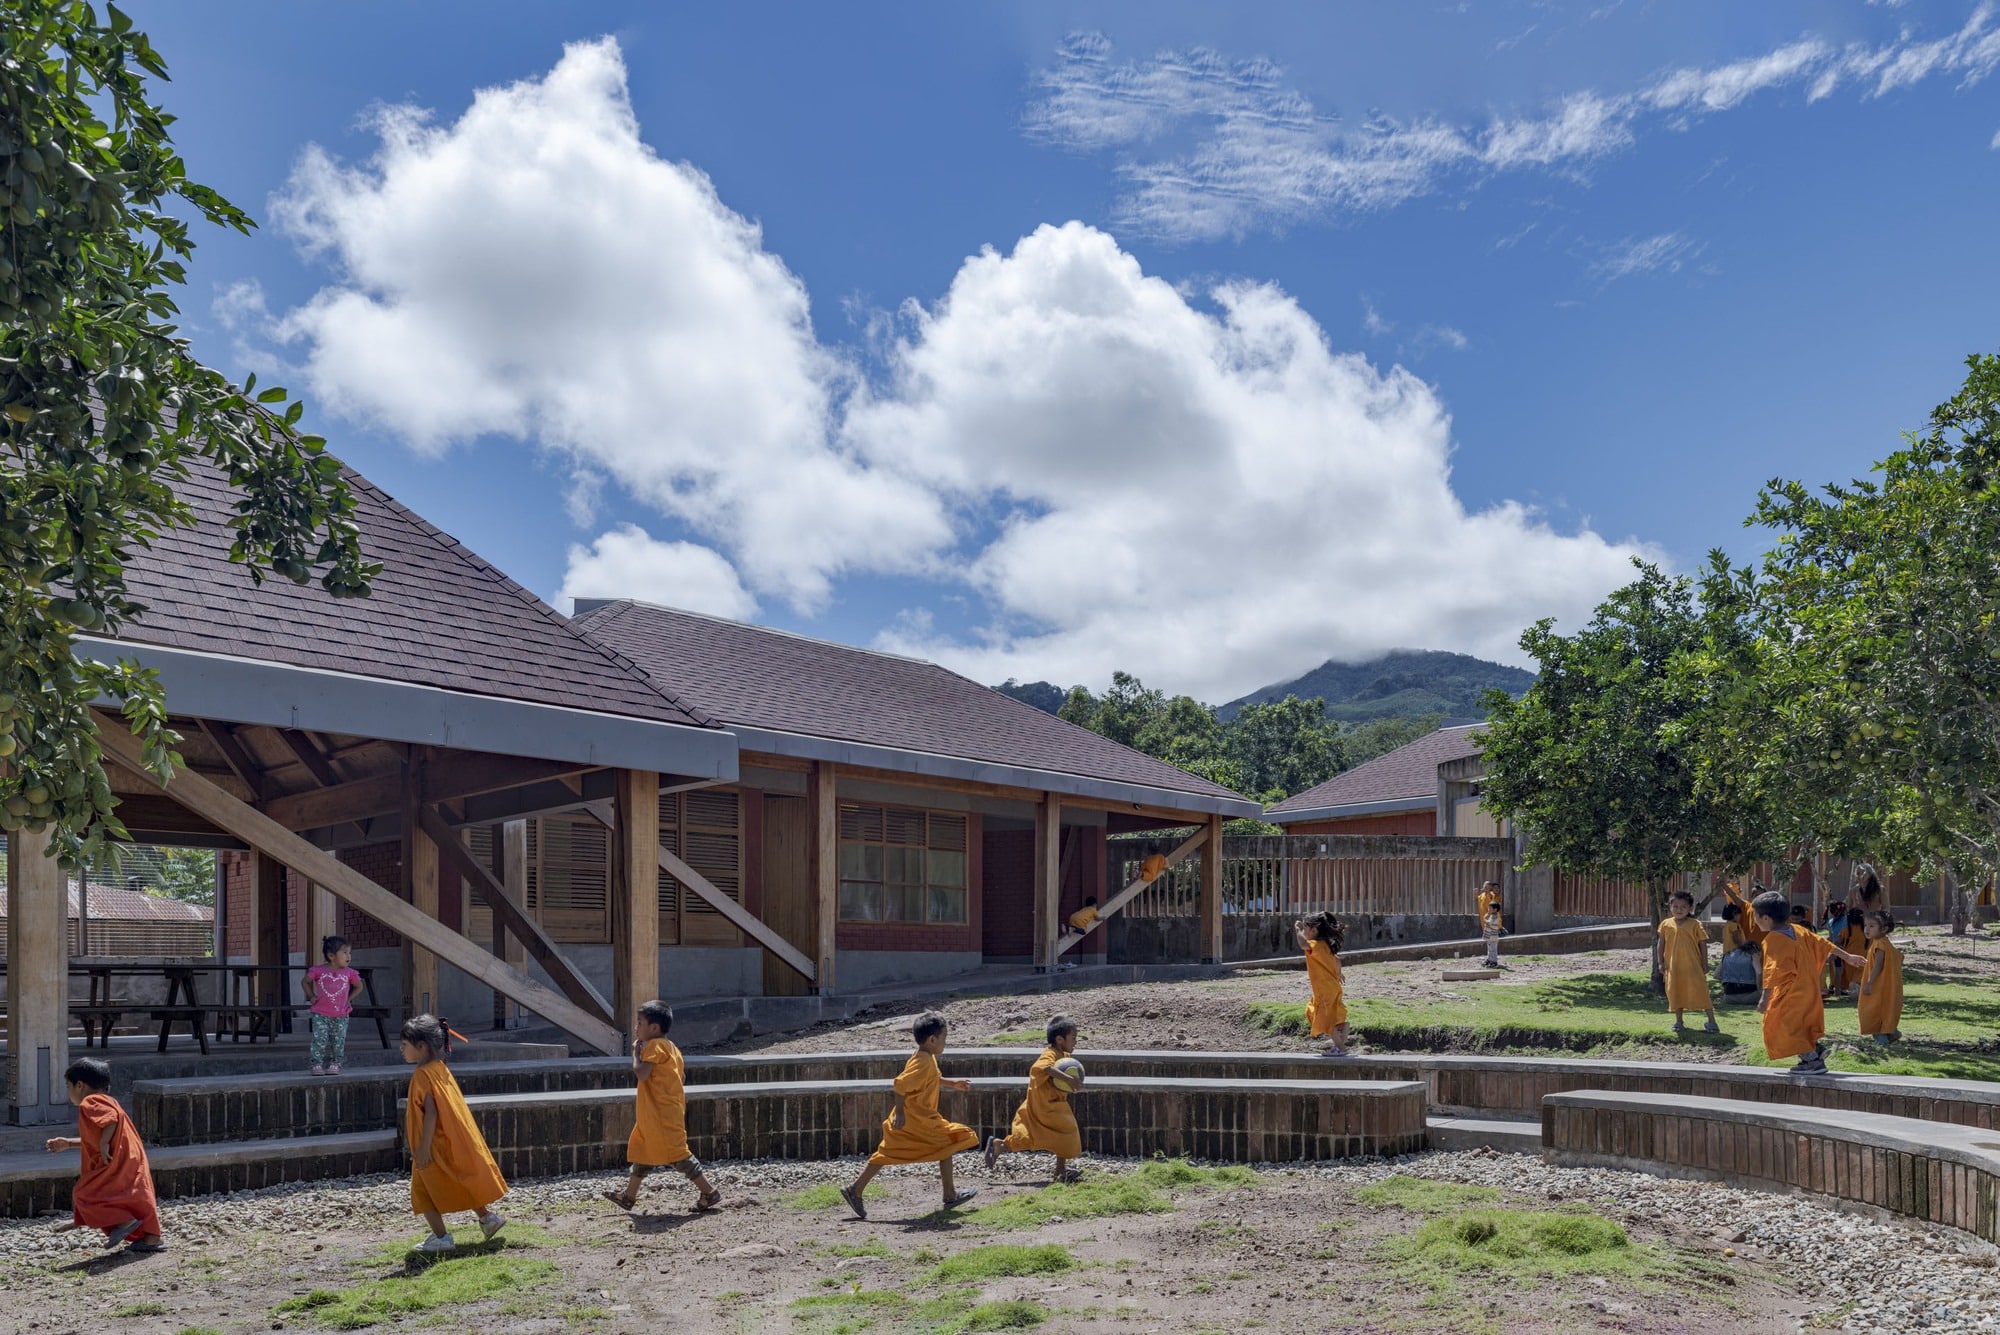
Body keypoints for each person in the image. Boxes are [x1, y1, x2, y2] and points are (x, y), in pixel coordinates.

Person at [840, 1011, 979, 1219]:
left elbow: (932, 1079)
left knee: (902, 1150)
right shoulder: (922, 1062)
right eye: (944, 1038)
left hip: (920, 1117)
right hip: (915, 1119)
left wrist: (953, 1084)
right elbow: (899, 1086)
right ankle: (949, 1194)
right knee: (949, 1140)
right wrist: (901, 1115)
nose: (945, 1043)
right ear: (932, 1040)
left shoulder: (926, 1056)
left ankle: (855, 1189)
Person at [601, 1000, 720, 1213]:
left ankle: (709, 1192)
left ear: (654, 1028)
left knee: (678, 1154)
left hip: (661, 1114)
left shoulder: (655, 1046)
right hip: (662, 1111)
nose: (636, 1028)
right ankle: (629, 1197)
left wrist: (635, 1055)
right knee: (643, 1151)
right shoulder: (672, 1048)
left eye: (639, 1023)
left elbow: (642, 1073)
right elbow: (680, 1076)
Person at [402, 1014, 507, 1252]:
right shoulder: (439, 1068)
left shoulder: (422, 1074)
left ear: (421, 1047)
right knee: (458, 1180)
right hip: (447, 1140)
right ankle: (488, 1219)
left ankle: (441, 1238)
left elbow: (431, 1113)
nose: (401, 1050)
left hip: (431, 1145)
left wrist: (423, 1148)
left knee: (422, 1191)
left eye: (405, 1045)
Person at [44, 1057, 164, 1252]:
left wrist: (103, 1142)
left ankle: (125, 1222)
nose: (68, 1093)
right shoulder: (109, 1100)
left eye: (68, 1086)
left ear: (80, 1085)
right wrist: (68, 1143)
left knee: (85, 1194)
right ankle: (152, 1238)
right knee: (137, 1196)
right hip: (130, 1155)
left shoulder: (90, 1101)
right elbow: (102, 1131)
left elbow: (111, 1120)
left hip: (116, 1159)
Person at [1753, 891, 1864, 1074]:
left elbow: (1772, 972)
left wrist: (1765, 999)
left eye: (1755, 916)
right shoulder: (1799, 930)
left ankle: (1812, 1061)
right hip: (1810, 989)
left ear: (1765, 918)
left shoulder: (1772, 940)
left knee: (1782, 1025)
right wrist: (1847, 956)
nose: (1754, 920)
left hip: (1791, 992)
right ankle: (1817, 1050)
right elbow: (1824, 944)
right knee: (1801, 1024)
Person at [985, 1015, 1085, 1184]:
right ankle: (1001, 1145)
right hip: (1045, 1105)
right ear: (1060, 1039)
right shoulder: (1050, 1053)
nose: (1076, 1042)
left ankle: (1001, 1145)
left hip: (1055, 1103)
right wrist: (1068, 1080)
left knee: (1055, 1135)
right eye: (1073, 1038)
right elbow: (1041, 1068)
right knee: (1065, 1131)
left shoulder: (1064, 1054)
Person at [1657, 890, 1718, 1033]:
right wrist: (1660, 962)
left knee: (1702, 992)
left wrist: (1705, 963)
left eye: (1683, 907)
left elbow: (1702, 944)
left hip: (1693, 966)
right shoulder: (1666, 924)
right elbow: (1661, 944)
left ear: (1690, 908)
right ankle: (1679, 1022)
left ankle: (1711, 1022)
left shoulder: (1695, 924)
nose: (1679, 910)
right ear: (1670, 907)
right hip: (1673, 967)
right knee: (1675, 991)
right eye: (1675, 906)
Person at [302, 934, 363, 1076]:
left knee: (338, 1040)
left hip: (341, 1014)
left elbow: (359, 986)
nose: (349, 956)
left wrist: (349, 999)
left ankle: (336, 1062)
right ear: (331, 955)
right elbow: (305, 981)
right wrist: (311, 996)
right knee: (319, 1038)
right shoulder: (318, 971)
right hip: (320, 1013)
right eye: (345, 953)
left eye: (350, 953)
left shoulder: (350, 973)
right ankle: (316, 1063)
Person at [1295, 910, 1348, 1056]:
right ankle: (1342, 1032)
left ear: (1314, 930)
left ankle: (1341, 1048)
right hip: (1332, 987)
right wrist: (1338, 973)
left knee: (1325, 1019)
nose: (1304, 931)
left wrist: (1297, 930)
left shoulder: (1315, 944)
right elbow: (1337, 959)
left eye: (1306, 928)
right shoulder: (1326, 945)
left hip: (1324, 989)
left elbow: (1303, 944)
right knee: (1312, 1009)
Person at [1857, 911, 1904, 1043]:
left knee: (1872, 1010)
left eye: (1872, 926)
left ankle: (1881, 1041)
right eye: (1865, 925)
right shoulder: (1885, 943)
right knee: (1884, 1009)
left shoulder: (1879, 944)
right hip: (1889, 986)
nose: (1867, 929)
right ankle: (1892, 1032)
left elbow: (1878, 965)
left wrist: (1869, 982)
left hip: (1878, 985)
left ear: (1884, 929)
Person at [1716, 902, 1762, 1007]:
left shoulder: (1727, 925)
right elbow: (1736, 938)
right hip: (1737, 950)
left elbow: (1716, 975)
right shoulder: (1734, 926)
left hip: (1729, 953)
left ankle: (1728, 990)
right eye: (1739, 915)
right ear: (1734, 914)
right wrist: (1744, 947)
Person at [1721, 878, 1767, 947]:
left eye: (1762, 896)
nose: (1759, 898)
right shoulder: (1746, 906)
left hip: (1764, 947)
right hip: (1747, 948)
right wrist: (1723, 884)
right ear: (1752, 896)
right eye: (1756, 895)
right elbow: (1733, 896)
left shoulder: (1770, 910)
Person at [1477, 880, 1504, 968]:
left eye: (1490, 908)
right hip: (1489, 932)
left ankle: (1494, 961)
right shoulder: (1482, 896)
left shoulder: (1495, 916)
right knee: (1489, 947)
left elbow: (1490, 922)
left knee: (1493, 948)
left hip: (1493, 934)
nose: (1488, 910)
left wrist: (1485, 918)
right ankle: (1490, 959)